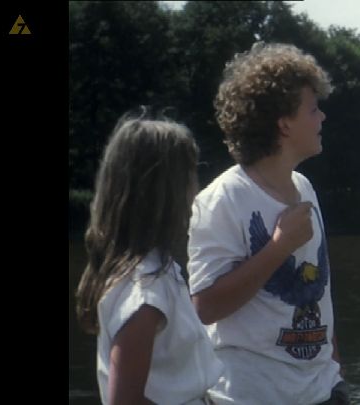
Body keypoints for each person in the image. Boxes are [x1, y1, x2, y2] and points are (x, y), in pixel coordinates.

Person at [187, 42, 349, 405]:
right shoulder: (222, 199)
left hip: (323, 391)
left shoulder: (304, 187)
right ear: (284, 123)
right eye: (313, 109)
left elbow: (319, 295)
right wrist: (279, 247)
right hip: (251, 395)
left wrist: (335, 375)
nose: (322, 117)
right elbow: (205, 307)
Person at [74, 108, 224, 404]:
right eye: (191, 176)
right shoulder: (145, 293)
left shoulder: (159, 270)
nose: (196, 189)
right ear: (166, 191)